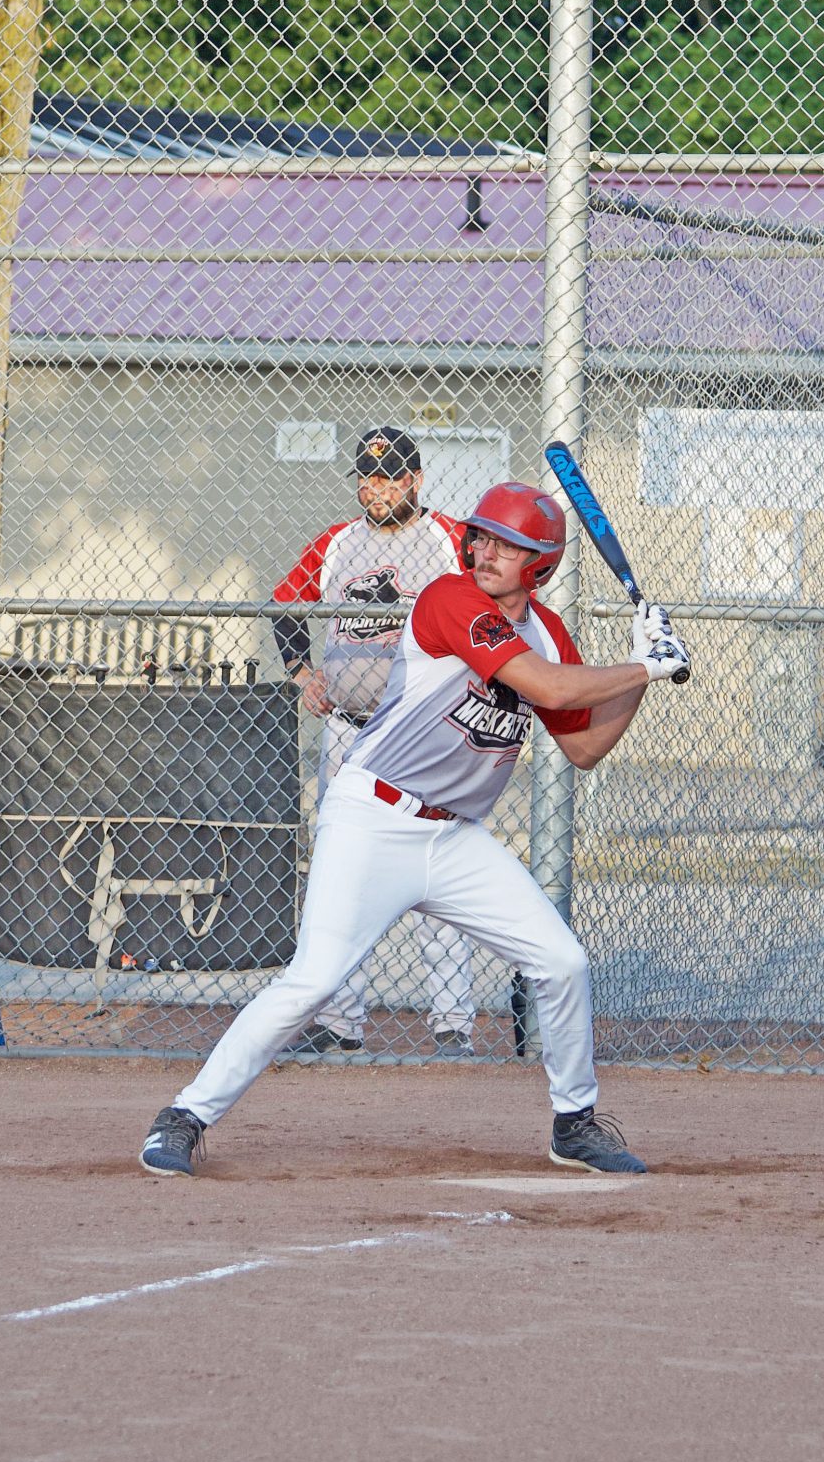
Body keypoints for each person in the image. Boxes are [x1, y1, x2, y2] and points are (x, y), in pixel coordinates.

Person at [140, 482, 694, 1179]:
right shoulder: (450, 599)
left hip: (455, 838)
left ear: (541, 564)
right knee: (312, 982)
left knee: (562, 963)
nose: (484, 549)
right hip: (373, 817)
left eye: (506, 544)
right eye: (483, 537)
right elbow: (550, 690)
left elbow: (584, 748)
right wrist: (644, 664)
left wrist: (642, 673)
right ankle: (184, 1118)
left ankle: (574, 1123)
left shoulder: (548, 633)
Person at [272, 426, 480, 1056]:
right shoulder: (336, 544)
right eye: (366, 478)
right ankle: (341, 1021)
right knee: (343, 871)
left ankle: (451, 1025)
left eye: (389, 479)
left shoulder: (451, 540)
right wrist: (301, 672)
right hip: (347, 731)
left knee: (436, 872)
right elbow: (283, 605)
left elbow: (502, 598)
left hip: (424, 736)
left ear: (415, 480)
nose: (376, 490)